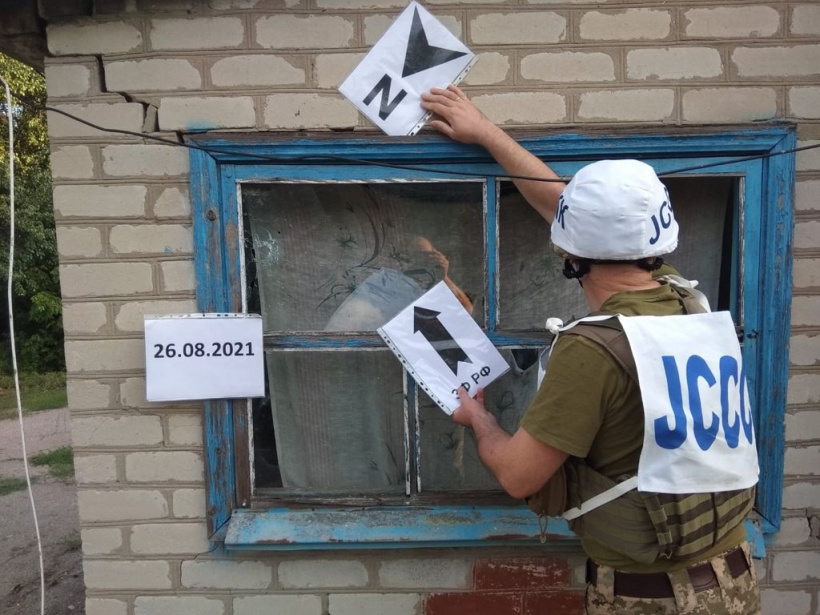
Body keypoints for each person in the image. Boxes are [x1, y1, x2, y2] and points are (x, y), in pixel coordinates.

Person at [420, 85, 760, 615]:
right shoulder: (685, 299)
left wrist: (479, 420)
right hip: (734, 577)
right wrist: (486, 133)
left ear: (569, 251)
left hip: (654, 599)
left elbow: (518, 476)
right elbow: (580, 216)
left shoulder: (592, 348)